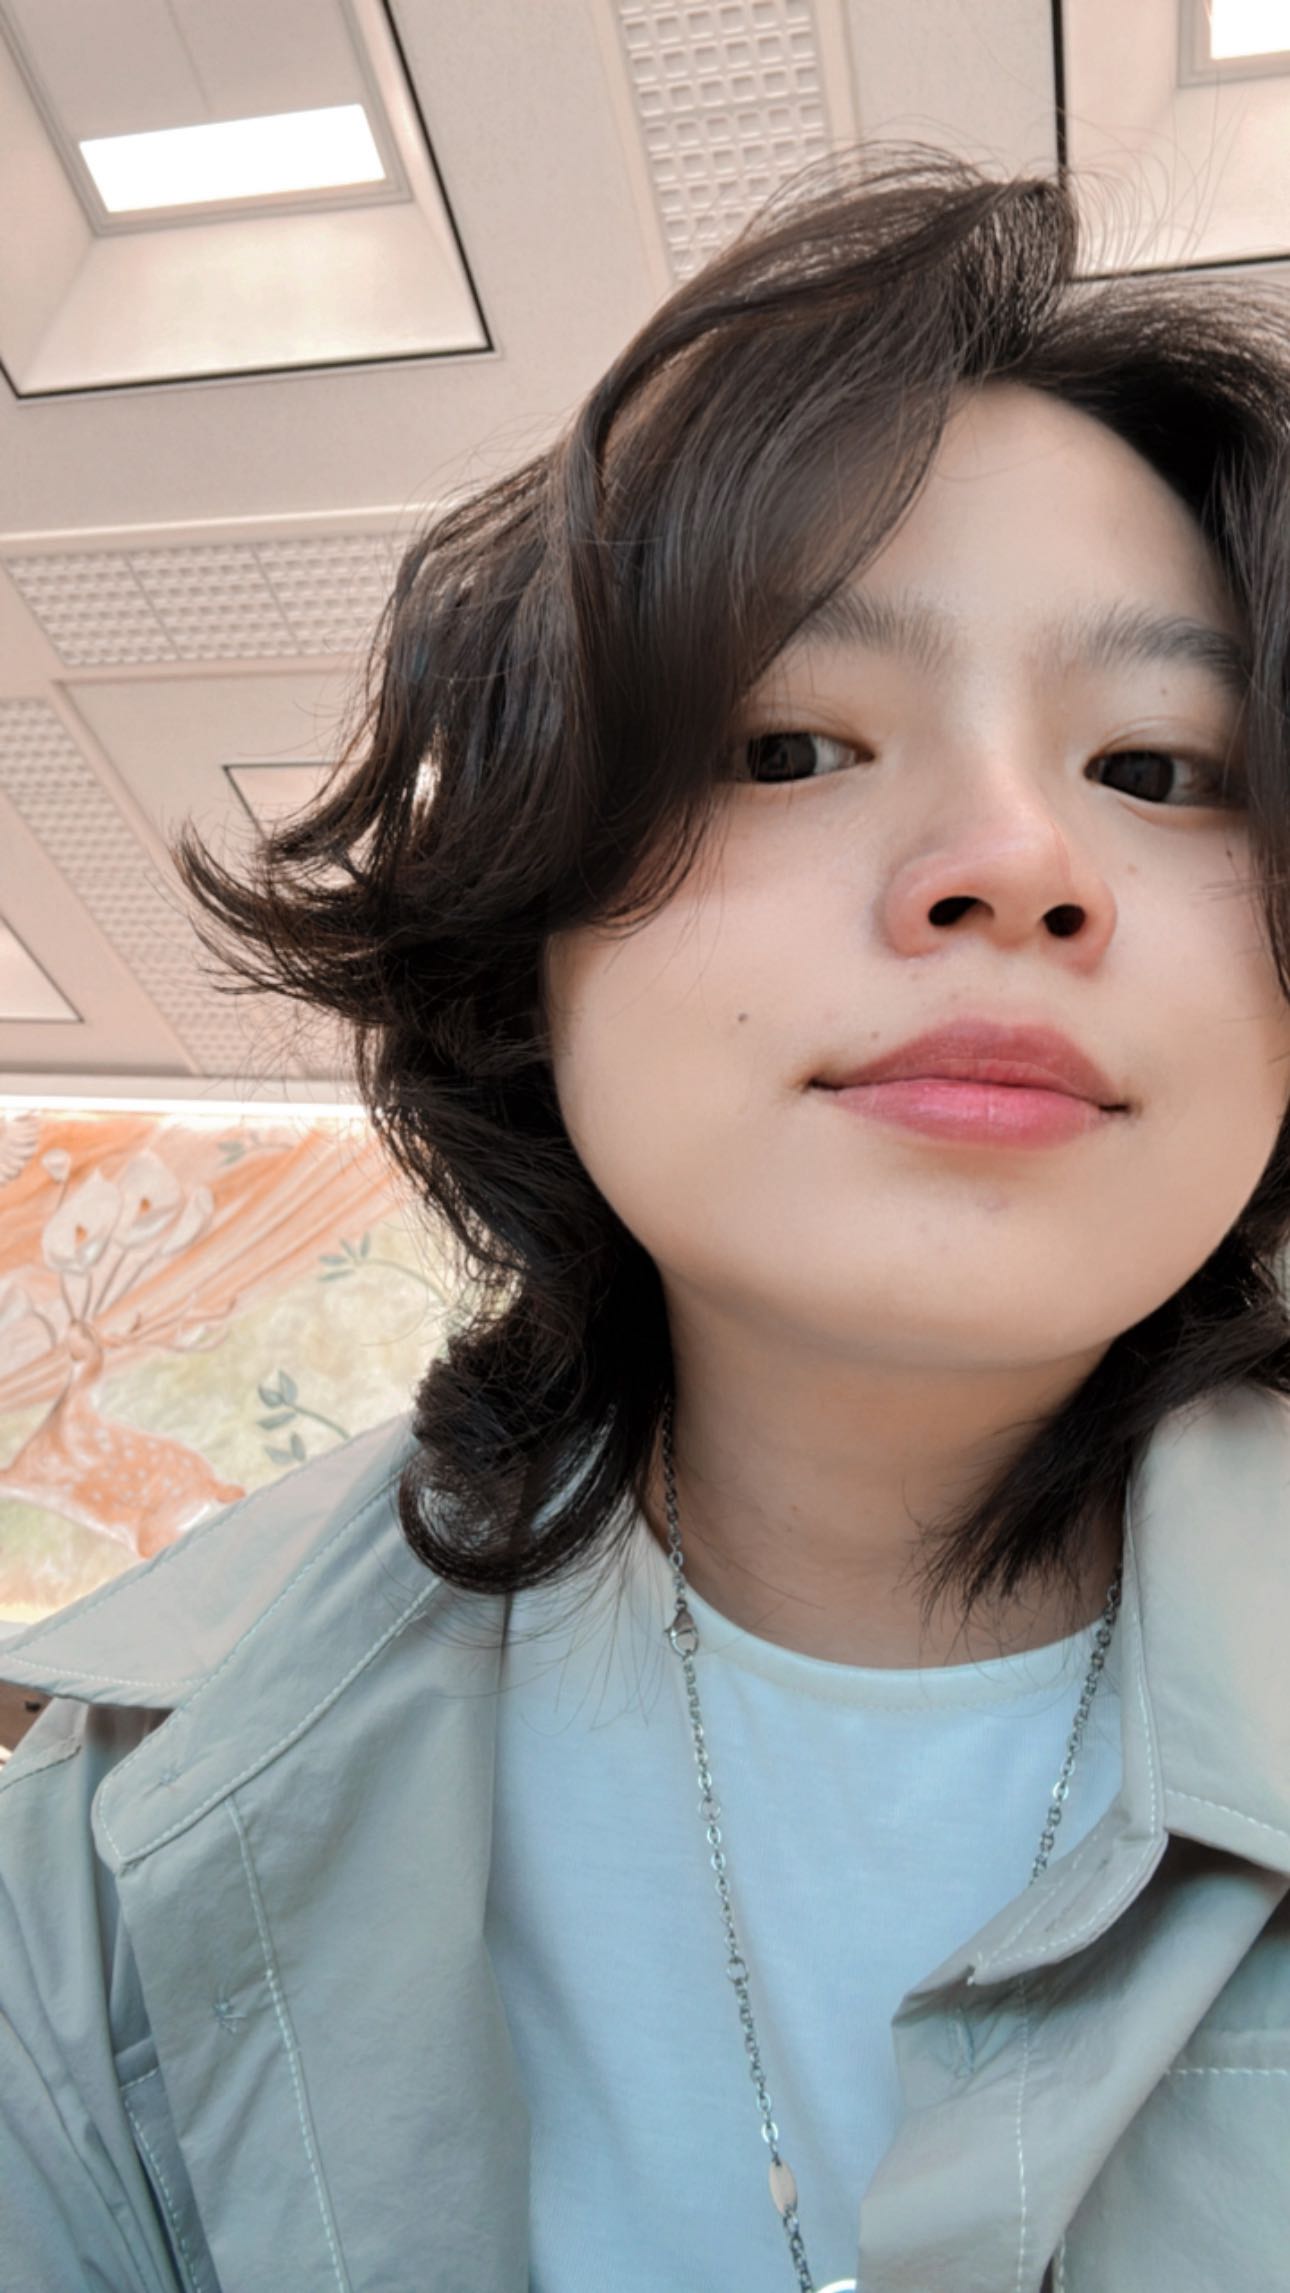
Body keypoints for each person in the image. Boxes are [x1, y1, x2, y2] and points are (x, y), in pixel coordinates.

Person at [3, 145, 1290, 2293]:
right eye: (787, 744)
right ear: (531, 941)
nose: (1012, 860)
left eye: (1157, 768)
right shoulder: (97, 1861)